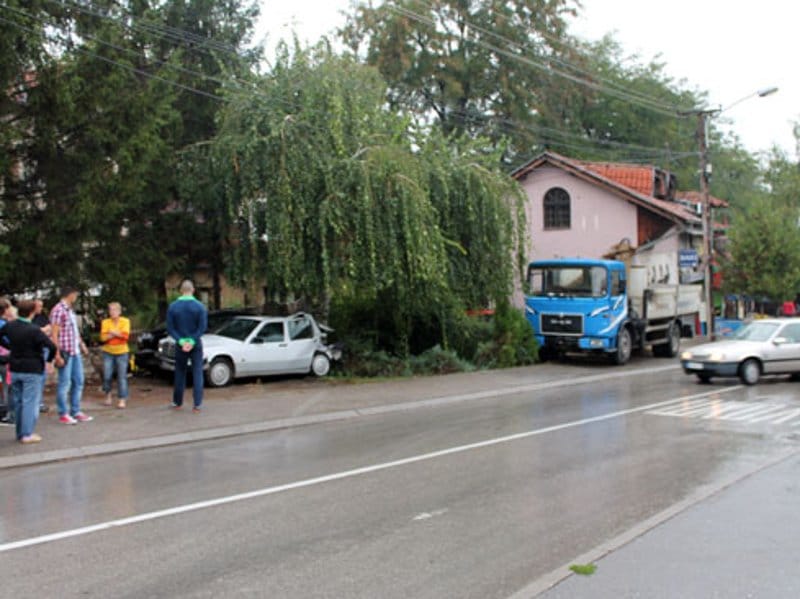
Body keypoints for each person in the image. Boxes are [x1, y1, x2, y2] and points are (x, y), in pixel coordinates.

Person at [0, 300, 57, 443]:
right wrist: (49, 361)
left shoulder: (10, 326)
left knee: (19, 401)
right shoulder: (34, 330)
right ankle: (26, 434)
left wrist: (9, 346)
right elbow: (51, 347)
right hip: (32, 368)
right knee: (30, 402)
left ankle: (20, 432)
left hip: (15, 367)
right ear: (32, 312)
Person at [50, 286, 93, 424]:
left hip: (75, 350)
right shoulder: (58, 310)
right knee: (65, 383)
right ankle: (63, 412)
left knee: (78, 381)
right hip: (65, 351)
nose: (76, 298)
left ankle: (76, 410)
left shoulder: (70, 311)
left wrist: (81, 344)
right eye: (75, 295)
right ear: (71, 294)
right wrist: (56, 353)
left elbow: (74, 330)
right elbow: (54, 334)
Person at [166, 280, 207, 412]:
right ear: (193, 290)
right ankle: (197, 404)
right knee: (197, 372)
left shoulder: (173, 307)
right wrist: (192, 341)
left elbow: (171, 328)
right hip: (195, 344)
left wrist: (182, 341)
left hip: (180, 344)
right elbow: (202, 328)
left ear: (180, 290)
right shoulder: (200, 307)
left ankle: (177, 402)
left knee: (180, 372)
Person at [99, 302, 130, 409]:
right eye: (111, 310)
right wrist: (116, 333)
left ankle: (122, 399)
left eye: (115, 310)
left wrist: (111, 333)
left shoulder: (125, 321)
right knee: (107, 375)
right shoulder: (105, 322)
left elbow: (125, 336)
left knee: (122, 376)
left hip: (122, 352)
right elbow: (103, 338)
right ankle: (108, 395)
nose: (112, 312)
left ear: (119, 311)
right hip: (108, 352)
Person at [32, 299, 52, 413]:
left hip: (44, 348)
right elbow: (33, 332)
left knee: (42, 377)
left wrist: (42, 331)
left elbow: (49, 330)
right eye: (38, 306)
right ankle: (35, 402)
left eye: (41, 306)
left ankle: (39, 401)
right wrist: (43, 330)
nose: (40, 308)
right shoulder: (30, 318)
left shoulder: (43, 317)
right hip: (35, 350)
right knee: (35, 377)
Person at [0, 298, 12, 424]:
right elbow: (9, 341)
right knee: (6, 386)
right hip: (4, 357)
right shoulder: (4, 325)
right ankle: (5, 412)